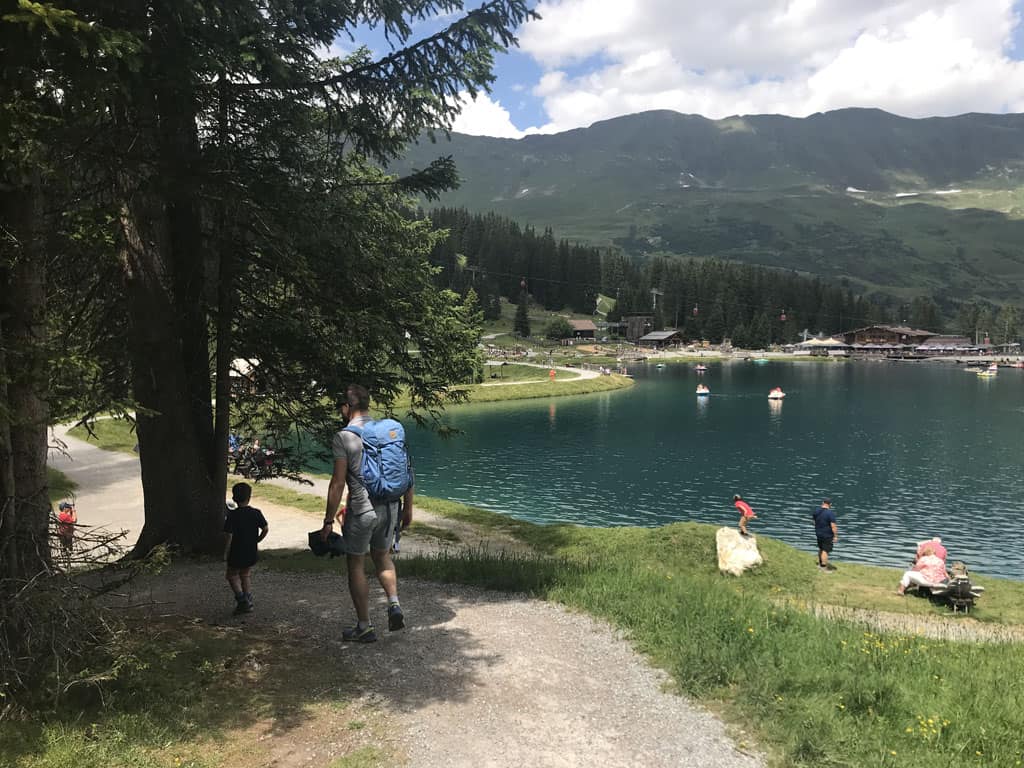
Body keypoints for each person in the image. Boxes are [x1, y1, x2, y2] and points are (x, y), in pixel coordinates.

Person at [322, 384, 413, 643]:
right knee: (382, 557)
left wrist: (329, 521)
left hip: (362, 510)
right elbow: (407, 471)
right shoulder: (388, 433)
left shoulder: (344, 437)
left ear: (346, 408)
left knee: (356, 563)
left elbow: (338, 483)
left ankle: (364, 626)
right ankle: (394, 604)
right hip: (391, 505)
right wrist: (408, 508)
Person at [223, 482, 269, 615]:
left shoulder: (232, 516)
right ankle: (248, 598)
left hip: (236, 551)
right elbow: (265, 528)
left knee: (231, 575)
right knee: (245, 574)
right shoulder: (256, 513)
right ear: (249, 497)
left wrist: (226, 552)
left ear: (234, 498)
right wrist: (258, 540)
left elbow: (229, 536)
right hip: (251, 550)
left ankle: (242, 600)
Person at [812, 498, 838, 571]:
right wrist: (835, 536)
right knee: (825, 550)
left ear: (823, 502)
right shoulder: (830, 513)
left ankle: (820, 563)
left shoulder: (816, 511)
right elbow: (833, 526)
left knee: (821, 548)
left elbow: (814, 522)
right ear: (830, 505)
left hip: (818, 533)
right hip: (827, 535)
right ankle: (823, 567)